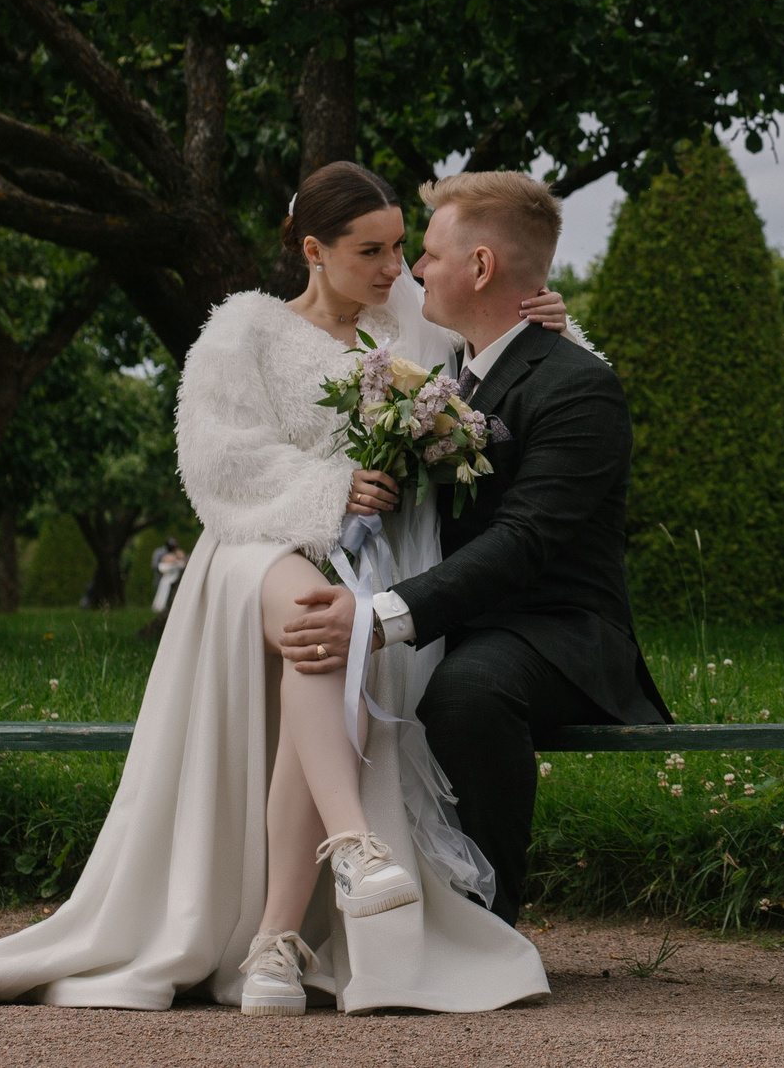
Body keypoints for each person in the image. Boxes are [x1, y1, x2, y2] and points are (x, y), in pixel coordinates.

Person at [0, 161, 581, 1014]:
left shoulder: (406, 327)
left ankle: (273, 948)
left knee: (325, 632)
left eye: (402, 247)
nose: (394, 267)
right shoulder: (241, 331)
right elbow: (216, 464)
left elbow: (497, 365)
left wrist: (545, 315)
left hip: (360, 572)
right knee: (308, 607)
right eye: (371, 250)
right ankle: (357, 842)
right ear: (313, 249)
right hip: (253, 554)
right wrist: (335, 492)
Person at [282, 170, 670, 925]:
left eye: (426, 252)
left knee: (465, 689)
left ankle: (488, 924)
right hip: (456, 617)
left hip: (557, 632)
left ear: (482, 267)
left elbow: (526, 540)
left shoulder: (577, 386)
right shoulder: (447, 375)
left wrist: (377, 616)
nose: (414, 270)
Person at [149, 540, 188, 615]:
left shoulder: (166, 558)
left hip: (166, 580)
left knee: (163, 595)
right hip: (169, 580)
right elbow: (182, 565)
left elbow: (161, 568)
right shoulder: (175, 557)